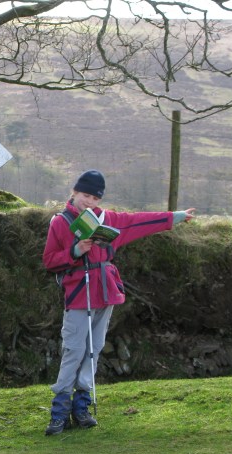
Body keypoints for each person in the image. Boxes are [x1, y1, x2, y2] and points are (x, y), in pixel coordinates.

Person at [42, 169, 195, 435]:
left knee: (94, 348)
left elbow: (141, 221)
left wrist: (176, 217)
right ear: (74, 192)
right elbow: (49, 261)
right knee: (74, 350)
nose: (89, 202)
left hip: (105, 292)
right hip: (78, 293)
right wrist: (75, 251)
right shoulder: (60, 221)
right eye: (85, 195)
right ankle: (59, 412)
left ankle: (82, 407)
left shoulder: (109, 219)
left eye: (95, 198)